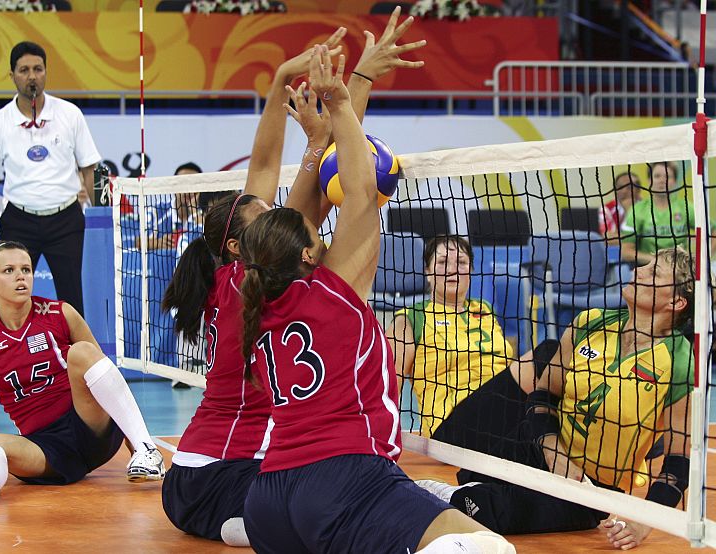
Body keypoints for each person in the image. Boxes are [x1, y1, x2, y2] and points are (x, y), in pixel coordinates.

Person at [160, 10, 433, 548]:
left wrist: (287, 79)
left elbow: (266, 166)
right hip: (230, 474)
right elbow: (347, 192)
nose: (281, 210)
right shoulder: (265, 282)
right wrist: (355, 84)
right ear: (241, 244)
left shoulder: (237, 272)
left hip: (194, 472)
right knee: (328, 514)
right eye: (267, 211)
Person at [237, 46, 513, 554]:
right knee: (490, 549)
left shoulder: (254, 299)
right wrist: (341, 104)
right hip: (342, 479)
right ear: (305, 251)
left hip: (268, 499)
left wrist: (325, 134)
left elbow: (293, 221)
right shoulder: (333, 294)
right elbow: (361, 195)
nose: (319, 219)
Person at [417, 247, 694, 551]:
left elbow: (679, 461)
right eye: (646, 265)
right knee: (469, 476)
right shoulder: (590, 323)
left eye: (653, 272)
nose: (638, 270)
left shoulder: (678, 360)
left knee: (480, 509)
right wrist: (553, 452)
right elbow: (543, 395)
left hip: (588, 490)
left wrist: (644, 520)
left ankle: (436, 495)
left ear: (675, 302)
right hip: (538, 445)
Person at [0, 241, 166, 506]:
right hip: (47, 449)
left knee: (83, 352)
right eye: (9, 270)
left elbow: (105, 375)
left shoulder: (60, 313)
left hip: (91, 428)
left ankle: (146, 450)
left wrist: (135, 446)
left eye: (26, 269)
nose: (20, 276)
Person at [0, 41, 100, 316]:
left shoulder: (70, 115)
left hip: (66, 220)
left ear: (46, 72)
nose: (32, 76)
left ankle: (76, 356)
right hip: (19, 220)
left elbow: (90, 169)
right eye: (24, 70)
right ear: (12, 75)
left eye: (38, 69)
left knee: (72, 299)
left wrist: (104, 218)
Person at [386, 235, 512, 438]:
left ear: (470, 271)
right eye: (443, 262)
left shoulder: (484, 309)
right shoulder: (411, 319)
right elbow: (387, 387)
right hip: (451, 424)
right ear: (427, 272)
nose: (452, 269)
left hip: (500, 411)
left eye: (461, 262)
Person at [620, 162, 692, 265]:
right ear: (649, 180)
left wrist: (701, 258)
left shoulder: (686, 207)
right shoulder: (637, 210)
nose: (662, 180)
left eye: (667, 176)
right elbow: (626, 252)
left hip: (680, 269)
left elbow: (712, 231)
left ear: (675, 181)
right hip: (649, 269)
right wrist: (658, 261)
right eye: (657, 176)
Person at [598, 171, 642, 239]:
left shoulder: (648, 207)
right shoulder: (607, 209)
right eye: (620, 187)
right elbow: (609, 239)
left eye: (629, 187)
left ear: (638, 190)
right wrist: (628, 212)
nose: (624, 191)